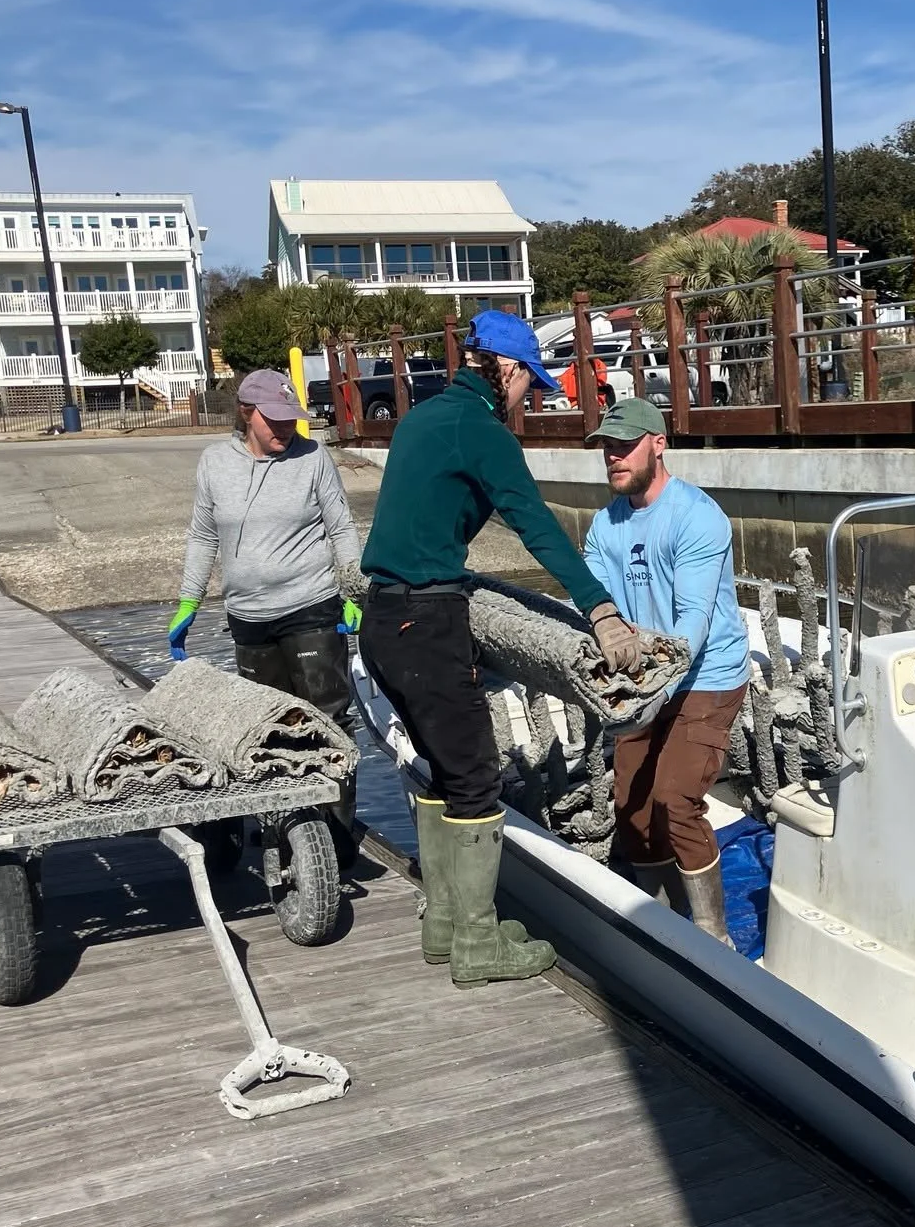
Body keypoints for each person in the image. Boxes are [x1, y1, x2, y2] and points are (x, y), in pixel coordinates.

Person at [359, 309, 642, 990]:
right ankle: (477, 944)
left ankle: (446, 924)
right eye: (531, 385)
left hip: (381, 621)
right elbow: (537, 528)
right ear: (507, 370)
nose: (530, 399)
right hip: (425, 624)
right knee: (478, 779)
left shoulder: (422, 418)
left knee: (442, 768)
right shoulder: (481, 432)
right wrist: (600, 612)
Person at [170, 367, 363, 858]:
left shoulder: (314, 457)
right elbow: (203, 535)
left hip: (312, 606)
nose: (284, 429)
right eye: (273, 420)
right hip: (249, 616)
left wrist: (353, 590)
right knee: (267, 727)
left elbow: (341, 527)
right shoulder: (215, 463)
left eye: (290, 419)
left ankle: (336, 843)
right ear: (246, 414)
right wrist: (189, 599)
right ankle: (283, 833)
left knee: (328, 718)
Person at [582, 397, 750, 943]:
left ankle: (713, 936)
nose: (613, 457)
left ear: (658, 444)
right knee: (631, 807)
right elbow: (591, 599)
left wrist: (656, 665)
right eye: (607, 448)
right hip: (644, 684)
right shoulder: (604, 526)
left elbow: (693, 622)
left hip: (707, 677)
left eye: (624, 446)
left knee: (675, 800)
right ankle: (660, 925)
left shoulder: (697, 517)